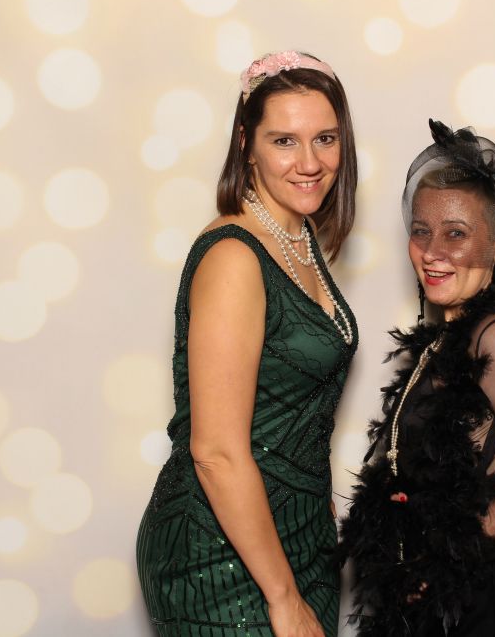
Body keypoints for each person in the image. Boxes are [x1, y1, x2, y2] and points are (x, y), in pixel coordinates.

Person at [137, 51, 359, 637]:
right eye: (284, 141)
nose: (310, 163)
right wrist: (283, 599)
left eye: (325, 139)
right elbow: (215, 451)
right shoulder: (235, 257)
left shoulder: (296, 237)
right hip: (221, 556)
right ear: (246, 144)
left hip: (298, 540)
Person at [338, 120, 495, 636]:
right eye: (421, 231)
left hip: (490, 609)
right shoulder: (450, 337)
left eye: (456, 233)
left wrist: (450, 558)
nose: (433, 251)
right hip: (446, 605)